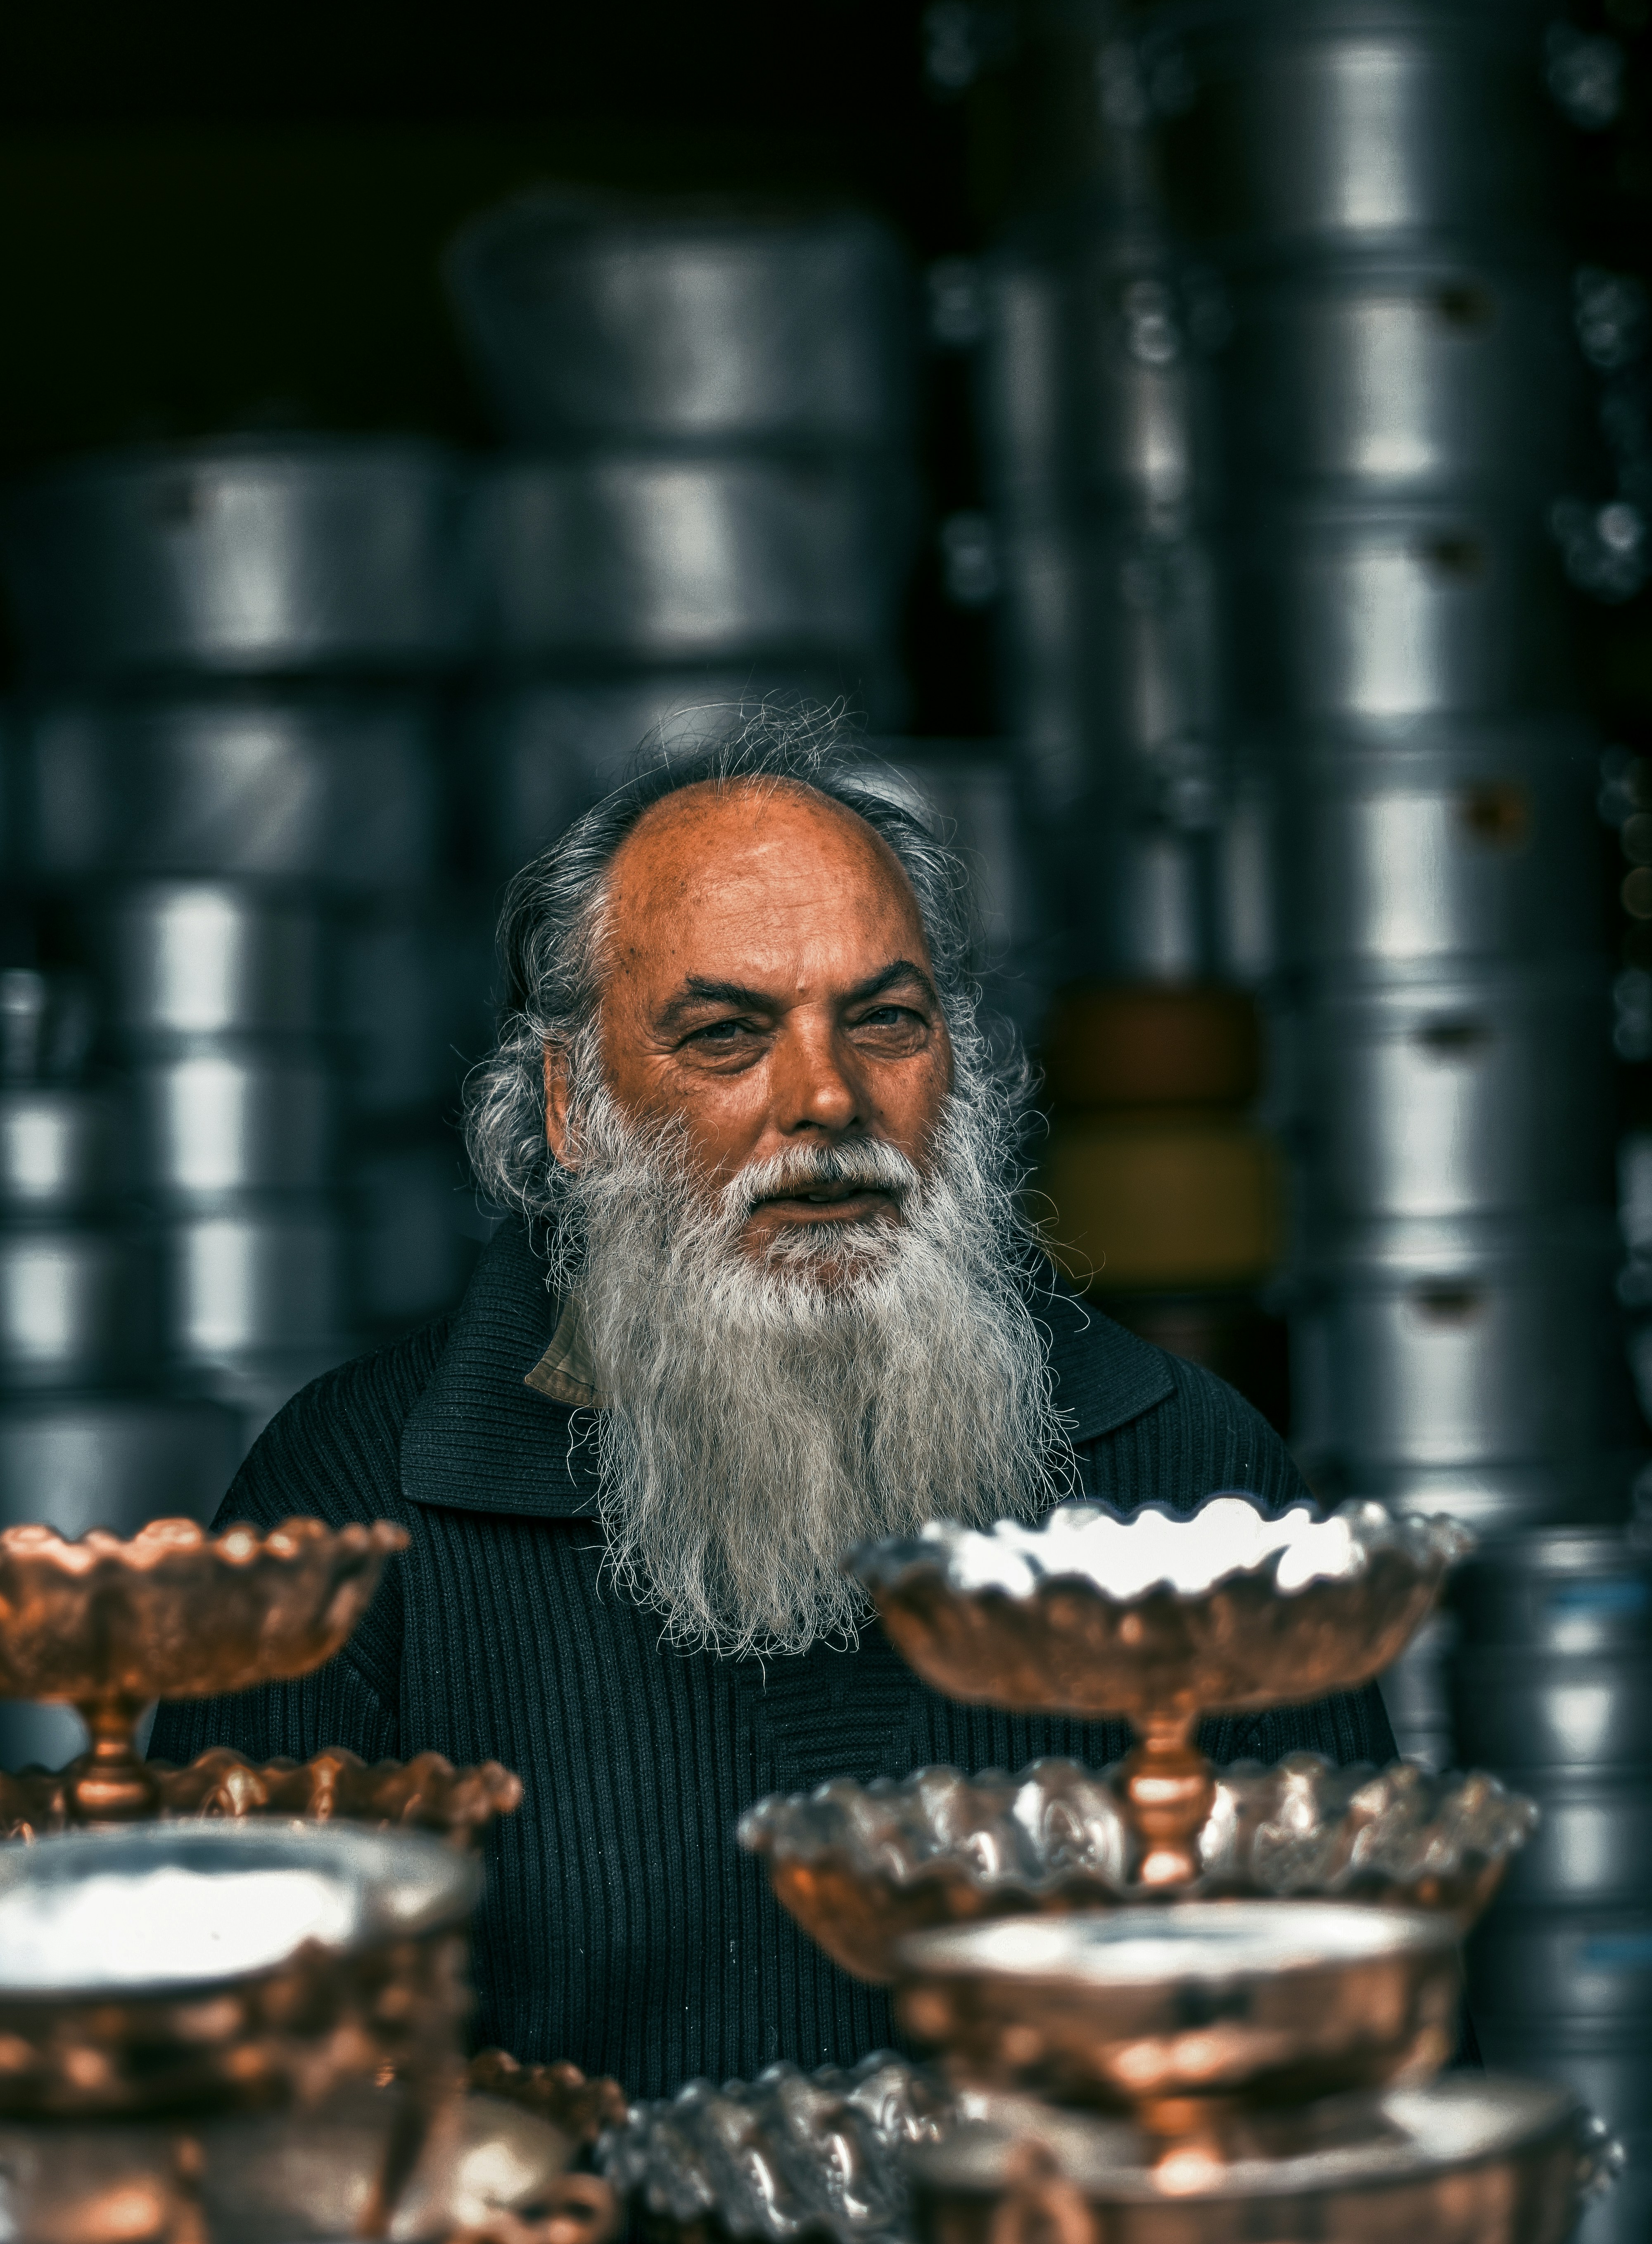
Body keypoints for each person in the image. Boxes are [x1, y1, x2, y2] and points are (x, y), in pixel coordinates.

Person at [151, 705, 1395, 2098]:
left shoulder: (1184, 1468)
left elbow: (1370, 2085)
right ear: (572, 1105)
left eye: (887, 1022)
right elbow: (224, 2123)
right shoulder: (354, 1502)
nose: (826, 1097)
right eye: (727, 1035)